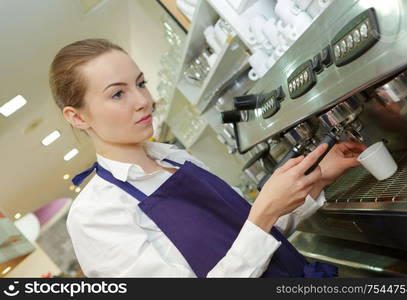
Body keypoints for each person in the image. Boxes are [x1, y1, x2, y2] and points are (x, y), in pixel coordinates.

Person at [49, 38, 367, 278]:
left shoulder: (174, 158)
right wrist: (264, 215)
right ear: (77, 117)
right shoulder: (95, 215)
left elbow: (247, 238)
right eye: (118, 94)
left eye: (141, 84)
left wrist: (314, 181)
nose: (144, 101)